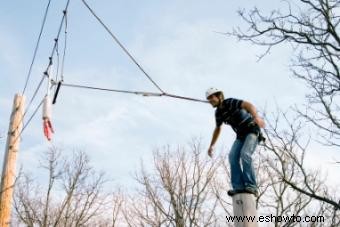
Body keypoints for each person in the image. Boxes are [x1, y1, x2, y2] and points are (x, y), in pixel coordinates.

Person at [206, 88, 265, 197]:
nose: (210, 101)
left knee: (245, 154)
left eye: (212, 98)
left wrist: (256, 117)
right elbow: (217, 129)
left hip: (251, 130)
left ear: (219, 96)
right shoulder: (218, 113)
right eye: (208, 99)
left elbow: (248, 105)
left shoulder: (230, 102)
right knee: (232, 157)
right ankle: (239, 187)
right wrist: (211, 145)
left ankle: (251, 186)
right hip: (241, 135)